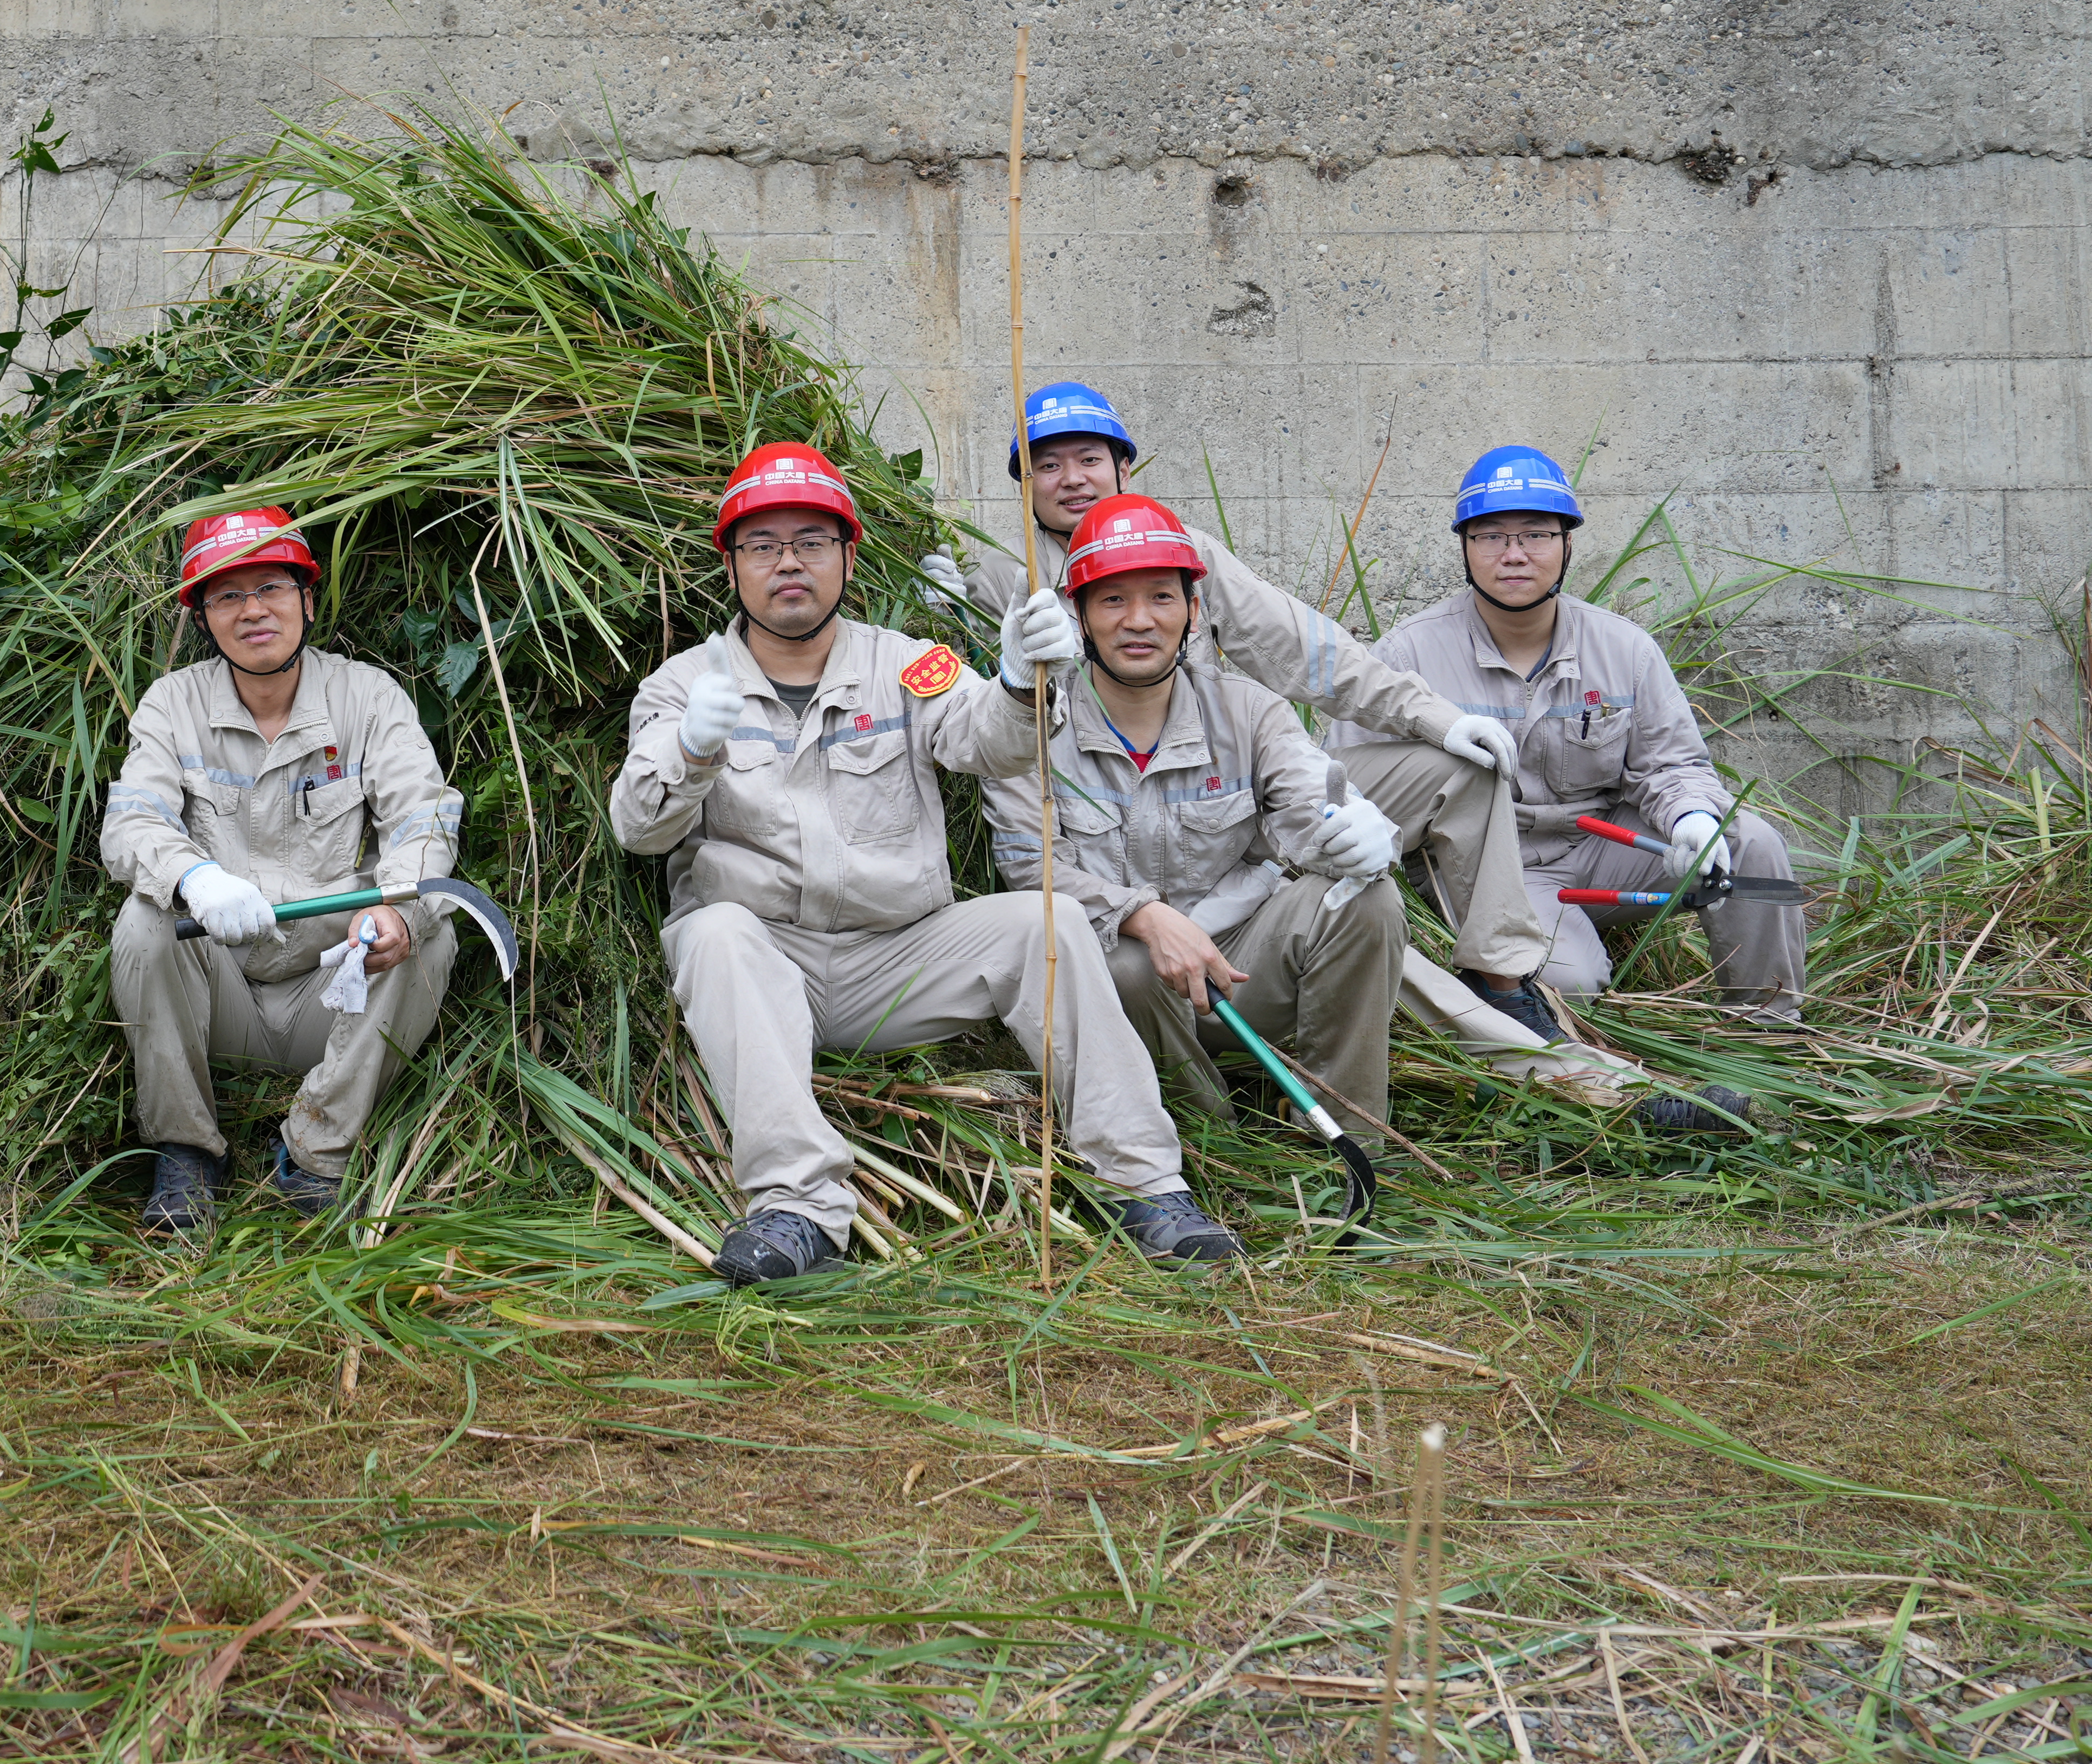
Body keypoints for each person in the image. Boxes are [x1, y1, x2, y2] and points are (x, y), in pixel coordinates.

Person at [612, 442, 1242, 1283]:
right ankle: (798, 1209)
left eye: (812, 541)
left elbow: (985, 741)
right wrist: (691, 752)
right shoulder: (682, 685)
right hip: (764, 962)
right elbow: (638, 831)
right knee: (713, 929)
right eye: (764, 546)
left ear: (848, 554)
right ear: (731, 565)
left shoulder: (908, 662)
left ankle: (1147, 1185)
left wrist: (1021, 682)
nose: (789, 563)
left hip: (901, 960)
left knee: (1045, 920)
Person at [929, 382, 1560, 1040]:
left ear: (1124, 464)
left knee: (1457, 771)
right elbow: (986, 731)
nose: (1071, 480)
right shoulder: (1004, 579)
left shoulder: (1188, 555)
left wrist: (1436, 717)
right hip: (1111, 848)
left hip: (1233, 817)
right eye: (1047, 466)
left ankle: (1501, 980)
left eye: (1087, 458)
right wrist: (945, 614)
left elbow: (1310, 654)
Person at [1337, 448, 1805, 1030]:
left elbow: (1672, 763)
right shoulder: (1410, 654)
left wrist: (1692, 819)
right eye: (1490, 536)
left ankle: (1767, 1031)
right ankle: (1534, 1013)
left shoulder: (1624, 649)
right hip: (1494, 872)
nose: (1514, 554)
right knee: (1571, 984)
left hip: (1607, 847)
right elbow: (1361, 785)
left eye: (1536, 533)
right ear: (1465, 546)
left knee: (1752, 843)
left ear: (1567, 544)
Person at [982, 495, 1408, 1132]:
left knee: (1367, 901)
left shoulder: (1249, 711)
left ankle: (1350, 1129)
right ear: (1079, 618)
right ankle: (1211, 1134)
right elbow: (1032, 870)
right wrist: (1147, 917)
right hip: (1119, 992)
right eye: (1112, 600)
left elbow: (1307, 798)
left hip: (1237, 971)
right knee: (1127, 959)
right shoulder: (1031, 728)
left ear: (1194, 611)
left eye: (1161, 597)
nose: (1139, 621)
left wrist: (1350, 833)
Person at [100, 508, 469, 1235]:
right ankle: (186, 1152)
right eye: (227, 595)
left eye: (271, 586)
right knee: (144, 919)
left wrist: (395, 911)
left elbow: (423, 818)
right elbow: (132, 826)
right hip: (220, 995)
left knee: (432, 929)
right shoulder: (172, 704)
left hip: (338, 989)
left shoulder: (368, 697)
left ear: (306, 596)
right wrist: (196, 878)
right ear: (204, 617)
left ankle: (315, 1151)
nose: (253, 610)